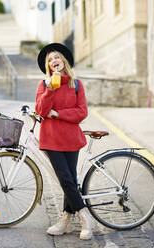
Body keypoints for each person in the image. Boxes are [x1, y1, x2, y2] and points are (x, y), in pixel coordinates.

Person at [35, 43, 94, 240]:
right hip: (51, 140)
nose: (54, 61)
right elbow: (41, 112)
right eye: (50, 60)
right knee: (67, 180)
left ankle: (65, 222)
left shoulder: (76, 85)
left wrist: (58, 113)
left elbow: (82, 112)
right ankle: (85, 218)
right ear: (48, 65)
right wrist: (50, 90)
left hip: (71, 139)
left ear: (64, 61)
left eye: (57, 58)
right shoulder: (44, 85)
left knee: (69, 181)